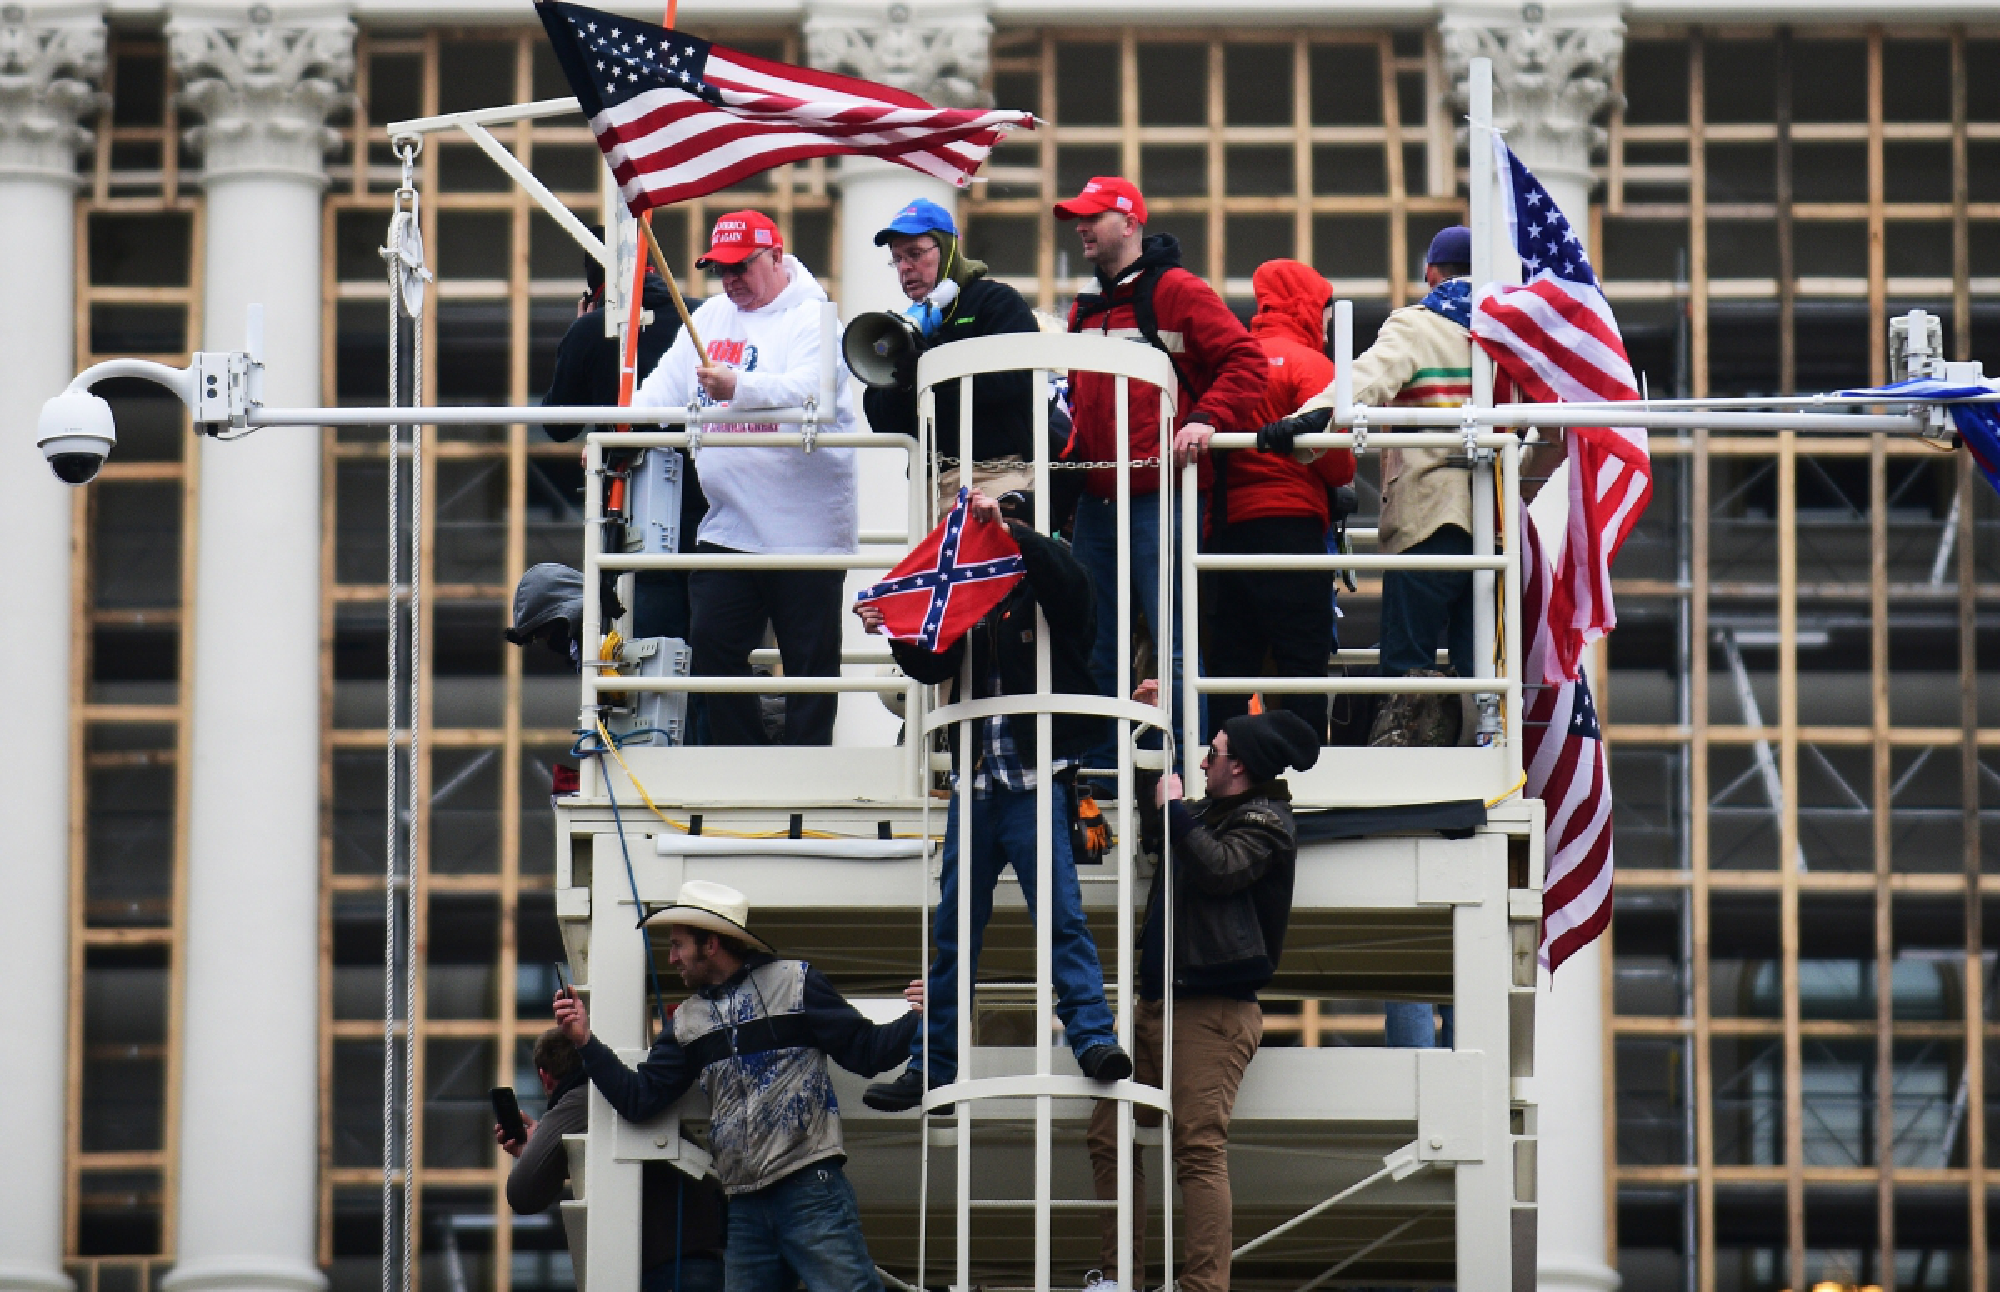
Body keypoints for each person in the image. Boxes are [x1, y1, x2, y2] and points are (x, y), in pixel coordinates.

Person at [853, 489, 1131, 1112]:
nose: (992, 535)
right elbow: (932, 661)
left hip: (1033, 785)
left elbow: (1069, 588)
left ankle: (1091, 1040)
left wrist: (1013, 534)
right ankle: (937, 1068)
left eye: (1007, 524)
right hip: (979, 788)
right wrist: (896, 627)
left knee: (1060, 921)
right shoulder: (973, 593)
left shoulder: (1052, 582)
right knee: (955, 935)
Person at [555, 880, 924, 1292]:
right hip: (747, 1205)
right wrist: (584, 1042)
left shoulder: (795, 983)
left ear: (710, 944)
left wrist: (925, 1017)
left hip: (807, 1189)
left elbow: (867, 1052)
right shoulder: (688, 1021)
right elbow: (639, 1099)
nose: (671, 957)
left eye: (678, 945)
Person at [1084, 706, 1318, 1292]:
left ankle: (1203, 1286)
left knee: (1197, 1148)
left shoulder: (1267, 820)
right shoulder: (1212, 812)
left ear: (1237, 766)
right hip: (1161, 1002)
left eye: (1211, 753)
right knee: (1109, 1133)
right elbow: (1165, 827)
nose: (1203, 761)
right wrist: (1151, 739)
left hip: (1212, 1009)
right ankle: (1121, 1280)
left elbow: (1219, 868)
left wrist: (1176, 810)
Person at [1055, 177, 1269, 770]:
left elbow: (1246, 363)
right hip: (1100, 507)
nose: (1080, 227)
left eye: (1092, 216)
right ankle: (1098, 773)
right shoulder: (1086, 306)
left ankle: (1183, 772)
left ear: (1128, 222)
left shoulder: (1175, 291)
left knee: (1173, 649)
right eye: (1078, 217)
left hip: (1160, 499)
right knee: (1096, 649)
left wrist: (1205, 420)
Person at [634, 210, 859, 746]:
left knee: (809, 663)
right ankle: (743, 756)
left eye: (741, 266)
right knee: (711, 645)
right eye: (720, 269)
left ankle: (806, 773)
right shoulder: (710, 318)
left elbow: (812, 389)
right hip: (730, 521)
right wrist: (614, 434)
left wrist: (738, 385)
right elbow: (660, 392)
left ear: (776, 257)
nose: (730, 280)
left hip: (806, 533)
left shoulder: (817, 318)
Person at [1257, 225, 1481, 747]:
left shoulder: (1418, 325)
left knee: (1408, 657)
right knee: (1483, 664)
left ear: (1431, 273)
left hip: (1429, 513)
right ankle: (1483, 757)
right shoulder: (1506, 333)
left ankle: (1411, 765)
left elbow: (1362, 384)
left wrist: (1302, 423)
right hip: (1495, 525)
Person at [1191, 258, 1357, 738]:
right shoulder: (1312, 366)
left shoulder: (1232, 364)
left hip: (1225, 534)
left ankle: (1223, 765)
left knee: (1229, 664)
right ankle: (1307, 766)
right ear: (1308, 305)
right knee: (1301, 658)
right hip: (1292, 532)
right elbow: (1340, 465)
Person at [541, 228, 707, 642]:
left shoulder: (594, 329)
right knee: (716, 638)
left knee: (653, 639)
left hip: (637, 505)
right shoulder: (702, 318)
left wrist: (581, 331)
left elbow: (558, 425)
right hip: (717, 499)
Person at [496, 1027, 728, 1292]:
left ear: (545, 1077)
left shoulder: (578, 1098)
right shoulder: (623, 1087)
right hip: (706, 1253)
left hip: (669, 1269)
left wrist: (540, 1146)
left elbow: (522, 1193)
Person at [858, 199, 1044, 506]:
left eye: (915, 254)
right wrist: (903, 383)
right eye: (898, 259)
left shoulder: (995, 303)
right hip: (930, 487)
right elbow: (881, 420)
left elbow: (1016, 380)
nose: (905, 267)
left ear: (946, 249)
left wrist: (934, 372)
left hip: (994, 480)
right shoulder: (905, 327)